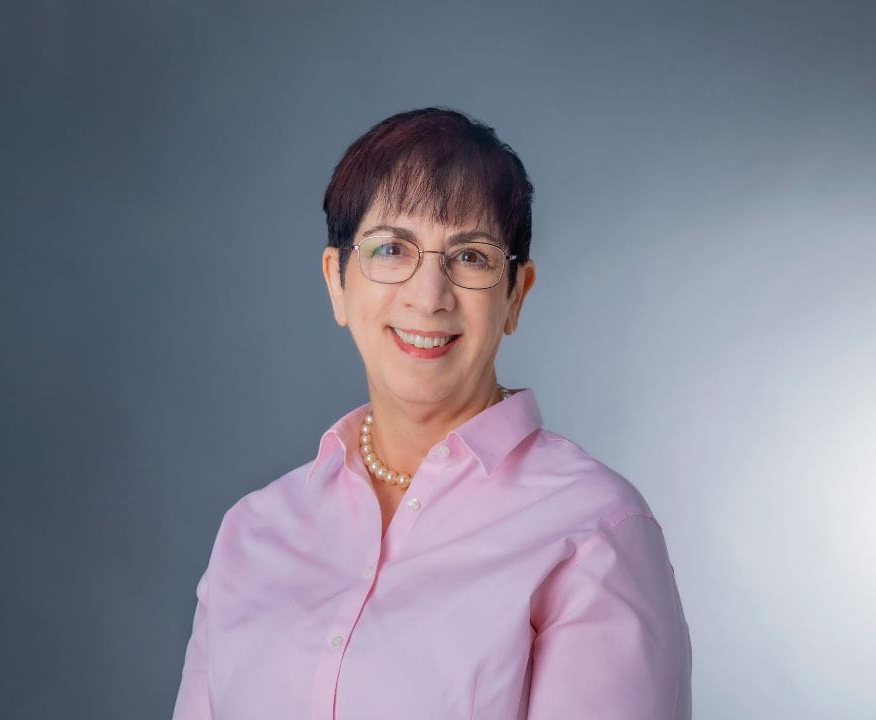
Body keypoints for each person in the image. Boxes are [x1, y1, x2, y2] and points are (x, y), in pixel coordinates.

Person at [171, 107, 692, 719]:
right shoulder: (252, 534)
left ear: (514, 297)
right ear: (337, 282)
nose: (428, 296)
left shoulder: (593, 533)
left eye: (470, 257)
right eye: (392, 249)